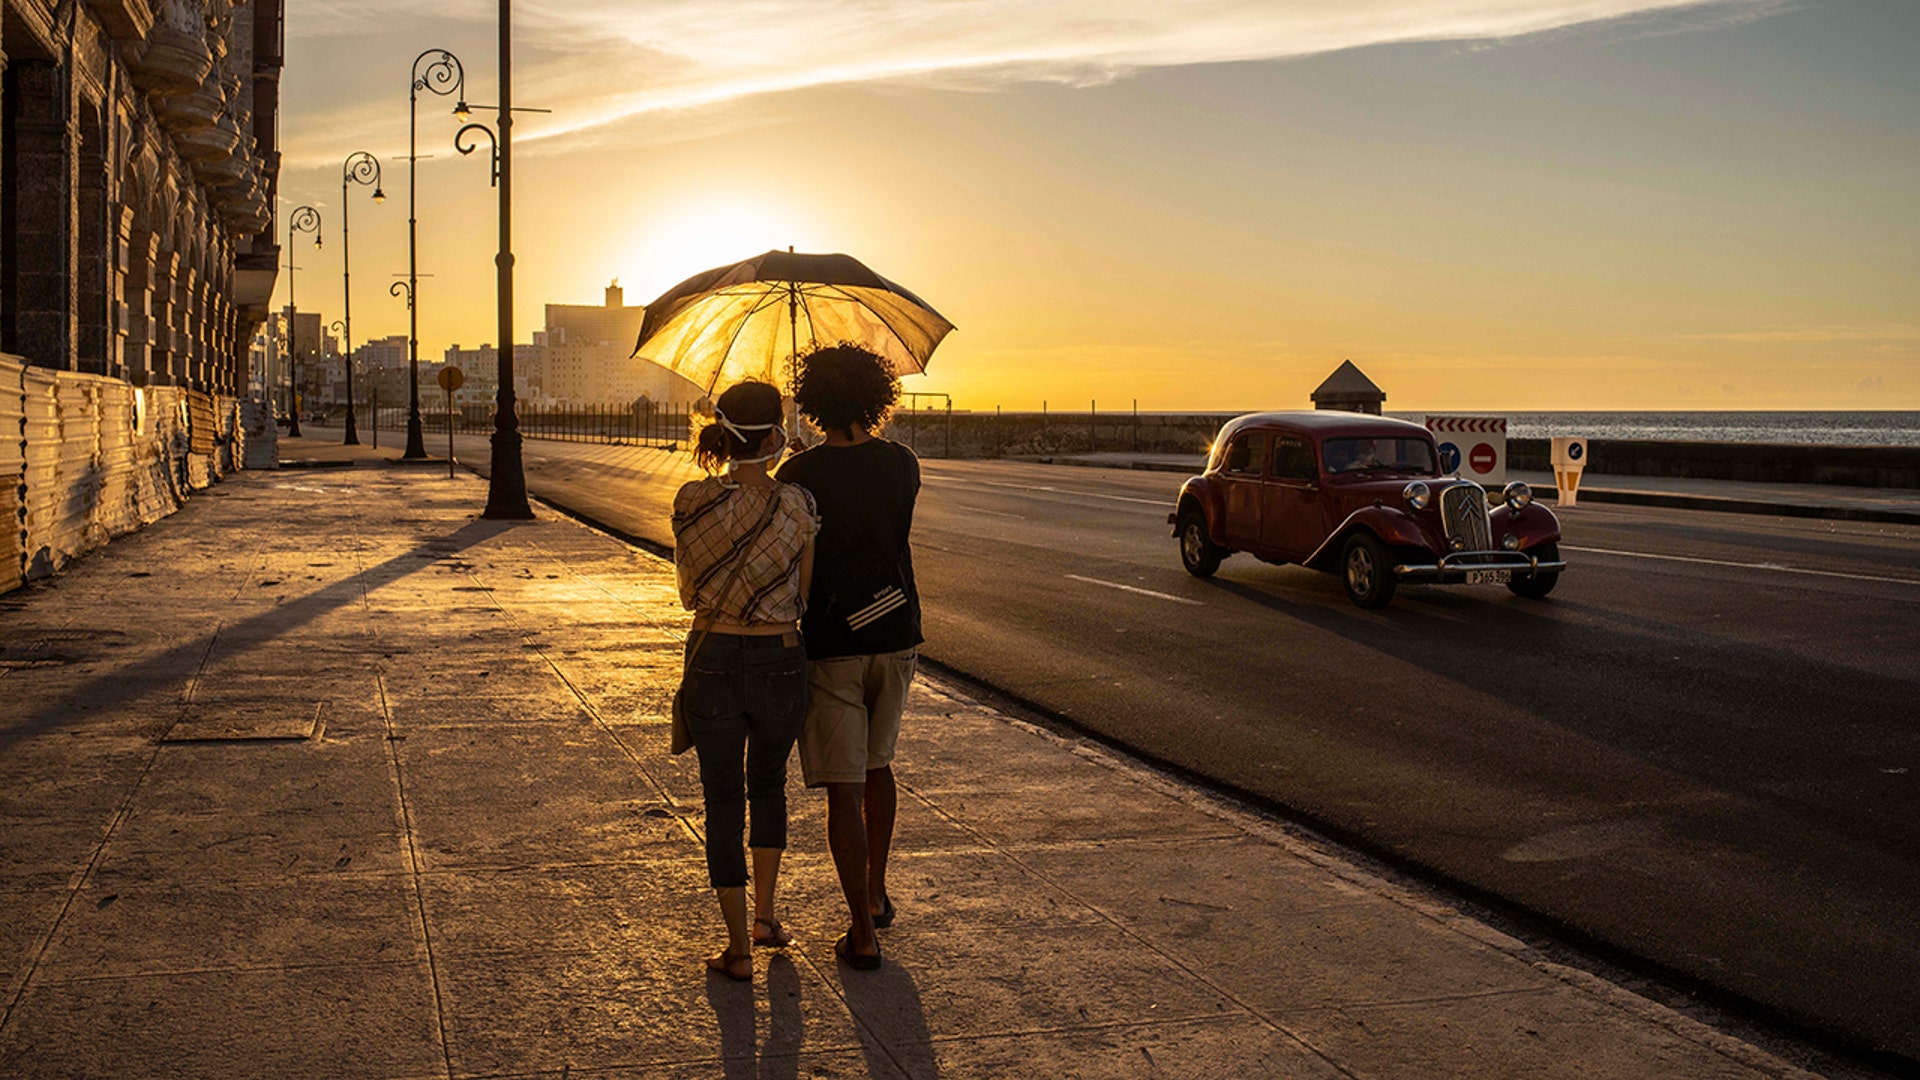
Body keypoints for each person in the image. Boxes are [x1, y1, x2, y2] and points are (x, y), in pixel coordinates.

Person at [776, 344, 923, 972]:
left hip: (833, 640)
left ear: (813, 401)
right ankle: (880, 891)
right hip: (895, 631)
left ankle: (861, 931)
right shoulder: (902, 463)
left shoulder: (797, 477)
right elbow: (890, 537)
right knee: (878, 766)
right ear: (875, 395)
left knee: (842, 784)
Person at [671, 380, 818, 982]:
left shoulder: (691, 499)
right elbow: (802, 599)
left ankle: (736, 948)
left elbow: (685, 591)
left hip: (712, 658)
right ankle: (767, 917)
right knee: (769, 788)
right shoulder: (799, 505)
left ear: (725, 434)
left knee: (723, 800)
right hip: (780, 659)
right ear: (778, 436)